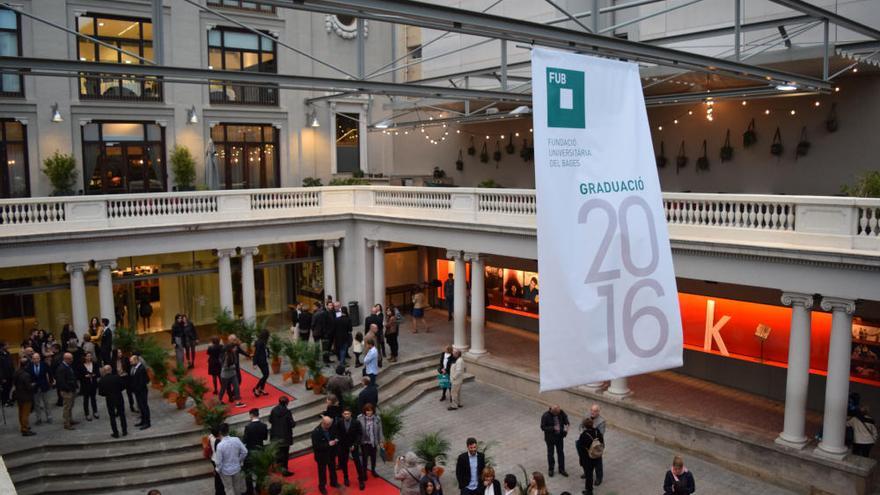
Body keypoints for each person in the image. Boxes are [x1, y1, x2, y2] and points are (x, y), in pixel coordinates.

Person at [336, 406, 366, 489]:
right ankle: (346, 478)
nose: (346, 415)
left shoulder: (356, 422)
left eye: (348, 414)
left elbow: (359, 434)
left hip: (354, 445)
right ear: (342, 414)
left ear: (351, 414)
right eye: (345, 414)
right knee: (344, 463)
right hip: (343, 446)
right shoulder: (339, 422)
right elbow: (337, 433)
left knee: (357, 463)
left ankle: (361, 480)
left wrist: (355, 445)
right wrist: (338, 440)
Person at [216, 422, 249, 495]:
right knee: (237, 487)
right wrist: (239, 460)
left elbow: (218, 462)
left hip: (225, 470)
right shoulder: (236, 439)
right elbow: (245, 451)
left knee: (229, 488)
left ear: (220, 432)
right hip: (236, 468)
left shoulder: (220, 445)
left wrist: (218, 470)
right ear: (228, 430)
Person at [312, 416, 340, 495]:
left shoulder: (331, 427)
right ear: (324, 424)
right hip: (321, 456)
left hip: (331, 453)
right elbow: (316, 446)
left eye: (330, 424)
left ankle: (334, 482)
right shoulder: (316, 432)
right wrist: (328, 444)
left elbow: (336, 434)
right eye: (328, 425)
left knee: (332, 469)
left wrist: (336, 439)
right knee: (322, 472)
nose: (330, 426)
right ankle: (322, 487)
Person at [244, 408, 269, 495]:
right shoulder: (264, 426)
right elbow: (265, 438)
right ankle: (258, 488)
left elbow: (245, 440)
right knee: (260, 470)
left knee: (248, 471)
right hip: (260, 450)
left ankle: (249, 491)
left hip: (250, 451)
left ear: (251, 415)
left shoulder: (248, 427)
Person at [97, 364, 127, 438]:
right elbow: (123, 386)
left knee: (112, 416)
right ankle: (124, 430)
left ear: (104, 371)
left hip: (109, 399)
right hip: (119, 397)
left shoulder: (102, 380)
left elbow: (101, 393)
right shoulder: (117, 377)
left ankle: (115, 432)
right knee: (122, 414)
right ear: (110, 370)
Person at [575, 418, 604, 495]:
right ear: (592, 424)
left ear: (584, 426)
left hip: (588, 459)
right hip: (597, 456)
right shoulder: (597, 431)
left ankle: (589, 491)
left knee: (589, 475)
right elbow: (602, 442)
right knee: (596, 469)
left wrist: (582, 459)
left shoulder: (584, 435)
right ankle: (598, 479)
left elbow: (581, 449)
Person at [269, 396, 296, 476]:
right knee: (285, 453)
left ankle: (277, 467)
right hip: (285, 436)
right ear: (287, 403)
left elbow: (270, 420)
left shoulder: (273, 410)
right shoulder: (287, 412)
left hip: (275, 435)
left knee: (277, 452)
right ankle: (284, 470)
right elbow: (292, 424)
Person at [541, 405, 569, 477]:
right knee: (550, 454)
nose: (559, 413)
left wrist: (566, 425)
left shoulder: (560, 412)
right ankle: (551, 469)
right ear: (553, 412)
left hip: (559, 437)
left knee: (560, 453)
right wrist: (553, 428)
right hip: (550, 438)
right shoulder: (545, 416)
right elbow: (543, 427)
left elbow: (565, 419)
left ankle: (561, 469)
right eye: (557, 413)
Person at [358, 403, 383, 478]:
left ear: (373, 411)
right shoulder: (359, 418)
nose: (368, 412)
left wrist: (381, 441)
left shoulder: (377, 418)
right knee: (365, 458)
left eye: (370, 411)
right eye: (367, 411)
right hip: (364, 441)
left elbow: (380, 430)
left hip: (373, 441)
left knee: (373, 457)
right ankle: (364, 472)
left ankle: (373, 470)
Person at [13, 356, 36, 436]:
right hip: (26, 396)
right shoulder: (26, 375)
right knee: (25, 413)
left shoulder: (16, 372)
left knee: (21, 412)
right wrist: (33, 385)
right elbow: (28, 387)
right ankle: (25, 429)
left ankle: (22, 426)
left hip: (19, 395)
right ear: (26, 365)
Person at [55, 352, 78, 429]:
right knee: (67, 407)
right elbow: (61, 381)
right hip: (67, 391)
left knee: (70, 406)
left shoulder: (68, 366)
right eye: (71, 359)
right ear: (66, 359)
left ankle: (70, 419)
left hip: (71, 389)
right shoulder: (61, 368)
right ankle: (66, 423)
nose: (72, 360)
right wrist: (68, 389)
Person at [29, 352, 53, 425]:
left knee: (47, 402)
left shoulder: (44, 364)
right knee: (37, 404)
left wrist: (51, 382)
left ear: (39, 358)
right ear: (32, 359)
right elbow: (28, 376)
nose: (36, 360)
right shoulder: (29, 366)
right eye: (34, 359)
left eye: (37, 358)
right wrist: (30, 383)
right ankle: (38, 418)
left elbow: (50, 373)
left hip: (44, 386)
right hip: (35, 387)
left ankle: (49, 417)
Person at [585, 405, 606, 485]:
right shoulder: (587, 416)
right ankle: (587, 473)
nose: (592, 412)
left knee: (598, 463)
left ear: (598, 412)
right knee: (587, 461)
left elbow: (601, 434)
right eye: (592, 410)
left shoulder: (601, 421)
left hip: (596, 446)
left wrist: (590, 431)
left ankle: (599, 478)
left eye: (595, 411)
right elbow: (581, 427)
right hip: (587, 445)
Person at [77, 351, 100, 420]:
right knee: (86, 399)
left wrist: (93, 375)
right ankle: (87, 413)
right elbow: (79, 376)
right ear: (84, 357)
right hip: (85, 384)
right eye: (87, 356)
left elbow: (98, 373)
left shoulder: (94, 364)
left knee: (93, 398)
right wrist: (85, 376)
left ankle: (95, 411)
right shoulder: (81, 365)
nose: (89, 357)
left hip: (93, 383)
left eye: (90, 356)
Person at [130, 353, 151, 429]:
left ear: (136, 360)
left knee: (144, 406)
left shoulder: (141, 368)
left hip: (142, 391)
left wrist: (137, 388)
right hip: (137, 391)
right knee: (140, 406)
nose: (131, 363)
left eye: (132, 361)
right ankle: (143, 420)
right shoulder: (133, 368)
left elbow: (144, 381)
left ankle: (147, 422)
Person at [252, 330, 270, 397]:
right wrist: (254, 363)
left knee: (266, 374)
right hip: (261, 361)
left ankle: (261, 389)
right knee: (266, 375)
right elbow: (256, 353)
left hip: (264, 360)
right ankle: (257, 388)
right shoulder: (259, 343)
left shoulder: (262, 342)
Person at [0, 341, 14, 407]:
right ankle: (4, 401)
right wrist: (2, 378)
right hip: (4, 376)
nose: (8, 346)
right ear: (3, 346)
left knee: (9, 388)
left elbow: (11, 363)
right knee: (4, 389)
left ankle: (8, 399)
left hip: (10, 374)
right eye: (7, 345)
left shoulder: (7, 353)